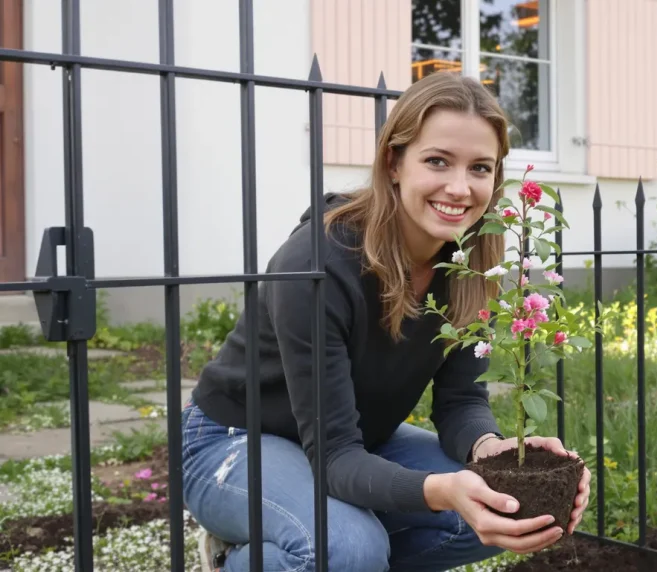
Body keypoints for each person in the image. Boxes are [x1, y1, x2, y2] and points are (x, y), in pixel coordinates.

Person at [180, 71, 591, 572]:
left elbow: (461, 400)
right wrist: (441, 490)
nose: (459, 188)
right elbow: (334, 458)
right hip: (233, 442)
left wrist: (492, 449)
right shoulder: (317, 264)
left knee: (498, 505)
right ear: (394, 162)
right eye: (437, 161)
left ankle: (311, 552)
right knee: (350, 547)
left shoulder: (467, 265)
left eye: (480, 167)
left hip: (353, 439)